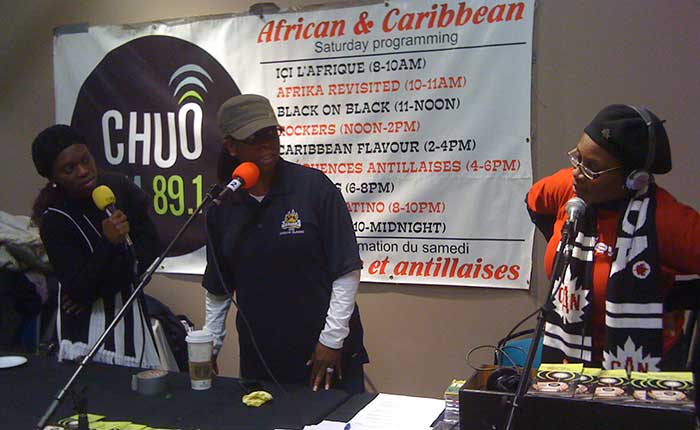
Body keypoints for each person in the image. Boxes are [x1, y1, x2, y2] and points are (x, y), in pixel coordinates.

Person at [203, 94, 368, 393]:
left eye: (270, 134)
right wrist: (210, 345)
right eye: (253, 137)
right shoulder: (223, 205)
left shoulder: (313, 188)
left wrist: (331, 340)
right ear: (231, 146)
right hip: (262, 356)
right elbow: (219, 287)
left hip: (323, 352)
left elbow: (346, 271)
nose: (266, 143)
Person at [526, 104, 700, 372]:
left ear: (633, 179)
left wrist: (666, 296)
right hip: (568, 360)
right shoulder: (567, 189)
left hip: (641, 367)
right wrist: (561, 242)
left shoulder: (665, 219)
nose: (577, 172)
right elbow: (534, 201)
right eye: (578, 158)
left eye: (592, 168)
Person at [31, 124, 161, 368]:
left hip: (130, 320)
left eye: (85, 160)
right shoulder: (55, 218)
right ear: (53, 178)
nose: (83, 171)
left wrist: (100, 289)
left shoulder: (118, 188)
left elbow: (149, 252)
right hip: (86, 334)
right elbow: (78, 289)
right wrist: (108, 244)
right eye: (69, 169)